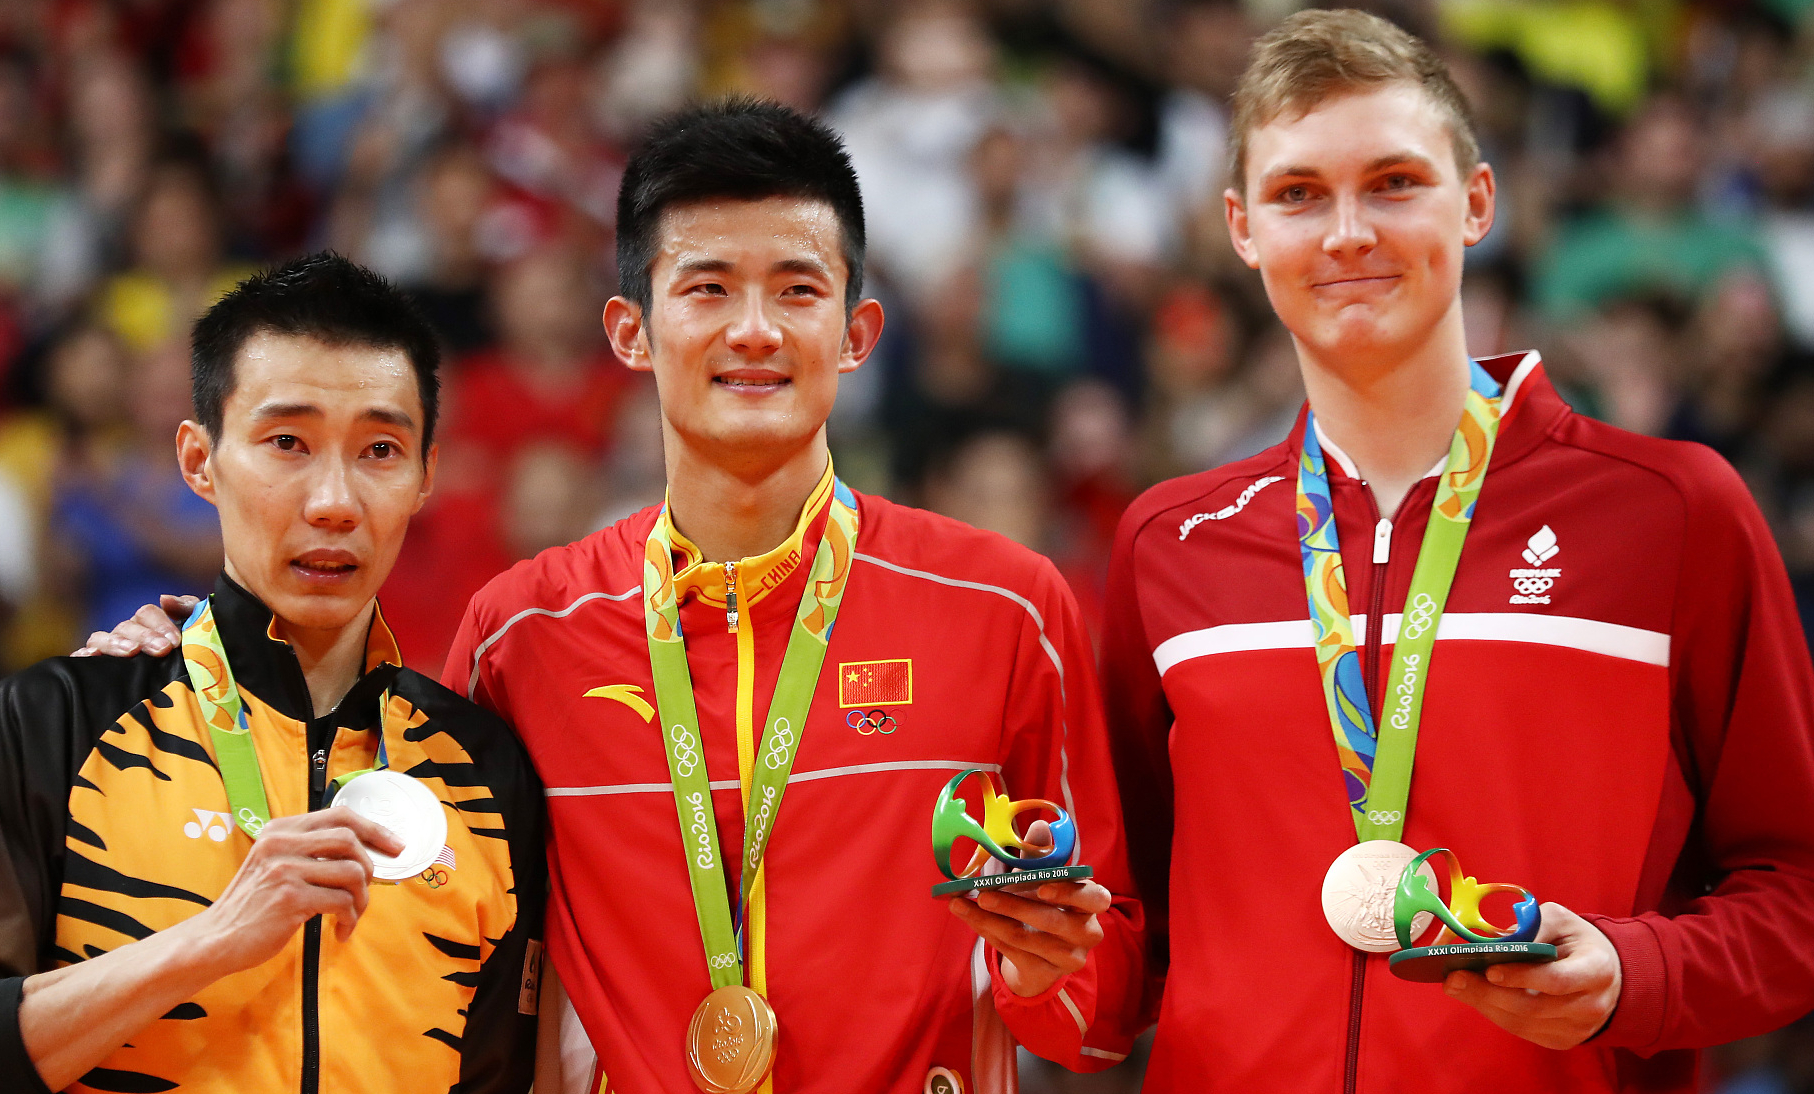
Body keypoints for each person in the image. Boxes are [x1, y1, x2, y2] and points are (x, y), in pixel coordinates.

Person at [86, 98, 1149, 1093]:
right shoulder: (521, 633)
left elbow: (1102, 1015)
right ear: (628, 330)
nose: (752, 330)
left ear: (857, 334)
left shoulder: (1003, 608)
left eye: (796, 288)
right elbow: (415, 923)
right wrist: (198, 662)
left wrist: (1041, 963)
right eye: (705, 287)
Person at [1100, 11, 1814, 1094]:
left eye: (1393, 182)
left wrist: (1636, 969)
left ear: (1475, 200)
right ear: (1241, 227)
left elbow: (1794, 887)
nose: (1345, 233)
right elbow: (1128, 937)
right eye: (1298, 194)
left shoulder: (1670, 512)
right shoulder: (1167, 542)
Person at [0, 253, 547, 1093]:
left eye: (379, 448)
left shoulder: (483, 770)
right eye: (286, 443)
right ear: (199, 460)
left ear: (425, 478)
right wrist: (212, 939)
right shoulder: (49, 725)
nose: (334, 500)